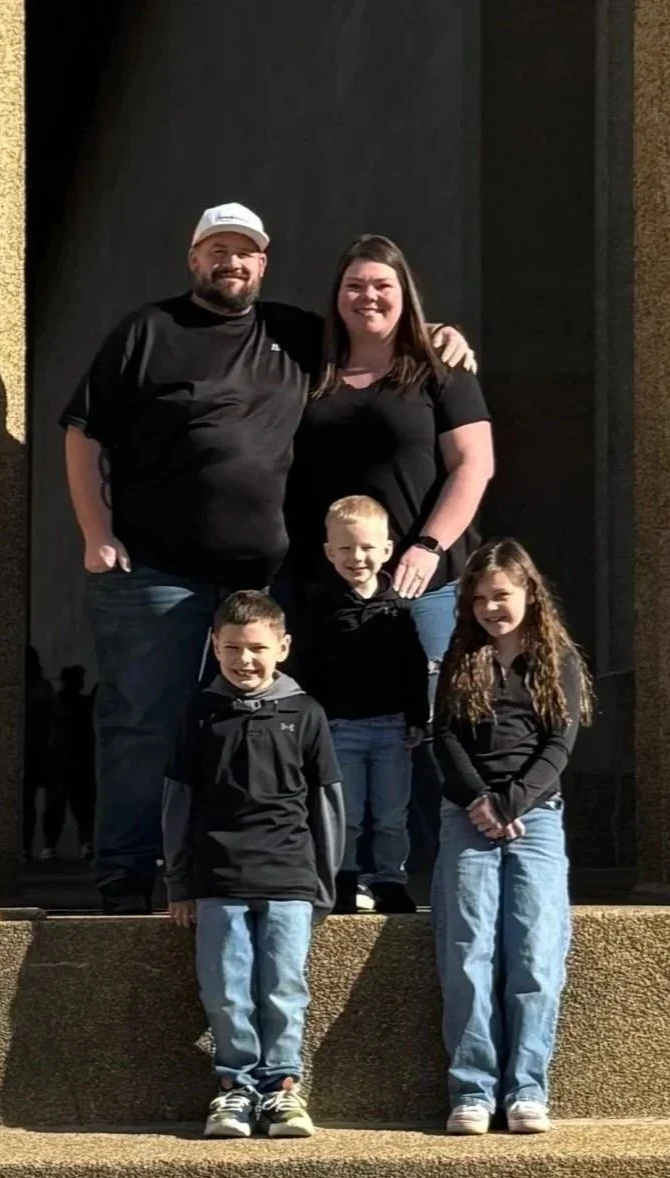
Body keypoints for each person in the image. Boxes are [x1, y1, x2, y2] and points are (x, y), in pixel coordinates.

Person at [61, 203, 474, 914]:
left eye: (245, 251)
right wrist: (96, 532)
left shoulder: (293, 334)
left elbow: (375, 331)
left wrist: (439, 336)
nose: (232, 262)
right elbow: (84, 432)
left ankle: (265, 871)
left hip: (264, 582)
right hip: (155, 572)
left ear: (264, 261)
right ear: (194, 259)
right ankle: (127, 874)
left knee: (270, 723)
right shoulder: (147, 331)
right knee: (144, 720)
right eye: (217, 249)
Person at [284, 233, 494, 851]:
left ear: (406, 295)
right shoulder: (308, 370)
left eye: (382, 286)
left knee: (434, 724)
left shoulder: (439, 371)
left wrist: (426, 547)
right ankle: (343, 867)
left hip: (426, 584)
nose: (367, 297)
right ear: (336, 296)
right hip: (326, 588)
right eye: (354, 285)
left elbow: (473, 466)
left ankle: (444, 864)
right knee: (333, 734)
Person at [163, 591, 345, 1139]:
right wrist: (178, 880)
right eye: (232, 649)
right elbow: (178, 800)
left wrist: (324, 885)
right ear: (215, 648)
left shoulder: (306, 713)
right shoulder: (199, 714)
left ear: (282, 647)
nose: (245, 660)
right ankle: (236, 1087)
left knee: (283, 986)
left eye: (257, 648)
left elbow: (328, 804)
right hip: (218, 878)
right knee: (225, 986)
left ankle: (282, 1089)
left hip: (290, 877)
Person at [430, 538, 593, 1136]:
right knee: (468, 949)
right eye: (479, 600)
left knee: (535, 949)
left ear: (529, 593)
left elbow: (560, 743)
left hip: (536, 816)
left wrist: (514, 802)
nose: (491, 609)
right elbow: (443, 736)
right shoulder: (461, 658)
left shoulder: (558, 659)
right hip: (467, 815)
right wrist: (479, 801)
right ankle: (472, 1089)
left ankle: (526, 1087)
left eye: (501, 596)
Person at [296, 496, 428, 914]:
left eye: (368, 548)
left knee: (391, 813)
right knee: (346, 812)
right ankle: (344, 878)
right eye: (347, 548)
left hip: (392, 728)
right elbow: (308, 669)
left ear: (387, 550)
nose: (358, 558)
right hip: (340, 728)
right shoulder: (318, 607)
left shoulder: (400, 609)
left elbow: (414, 666)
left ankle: (389, 880)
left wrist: (416, 717)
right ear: (329, 552)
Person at [23, 646, 65, 863]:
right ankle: (35, 845)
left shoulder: (40, 688)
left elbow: (56, 719)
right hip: (36, 750)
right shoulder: (40, 687)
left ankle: (39, 845)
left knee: (36, 802)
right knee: (29, 803)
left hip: (39, 750)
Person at [57, 665, 96, 861]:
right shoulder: (66, 703)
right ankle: (84, 843)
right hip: (71, 758)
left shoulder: (73, 702)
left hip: (73, 759)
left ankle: (83, 843)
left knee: (79, 805)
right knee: (78, 805)